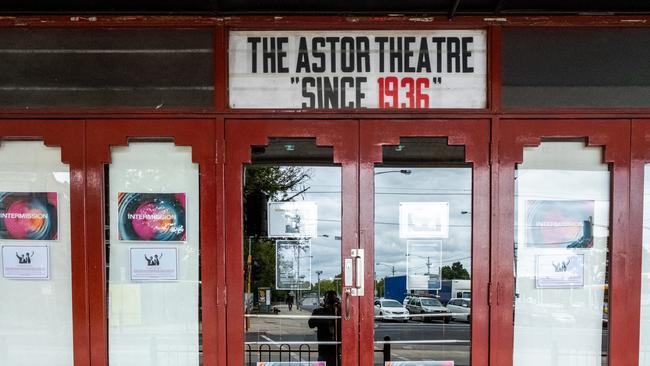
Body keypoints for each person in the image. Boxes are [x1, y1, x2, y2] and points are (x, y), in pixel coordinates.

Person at [308, 290, 341, 366]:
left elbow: (311, 324)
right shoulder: (338, 312)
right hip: (332, 348)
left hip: (327, 348)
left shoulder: (320, 312)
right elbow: (311, 324)